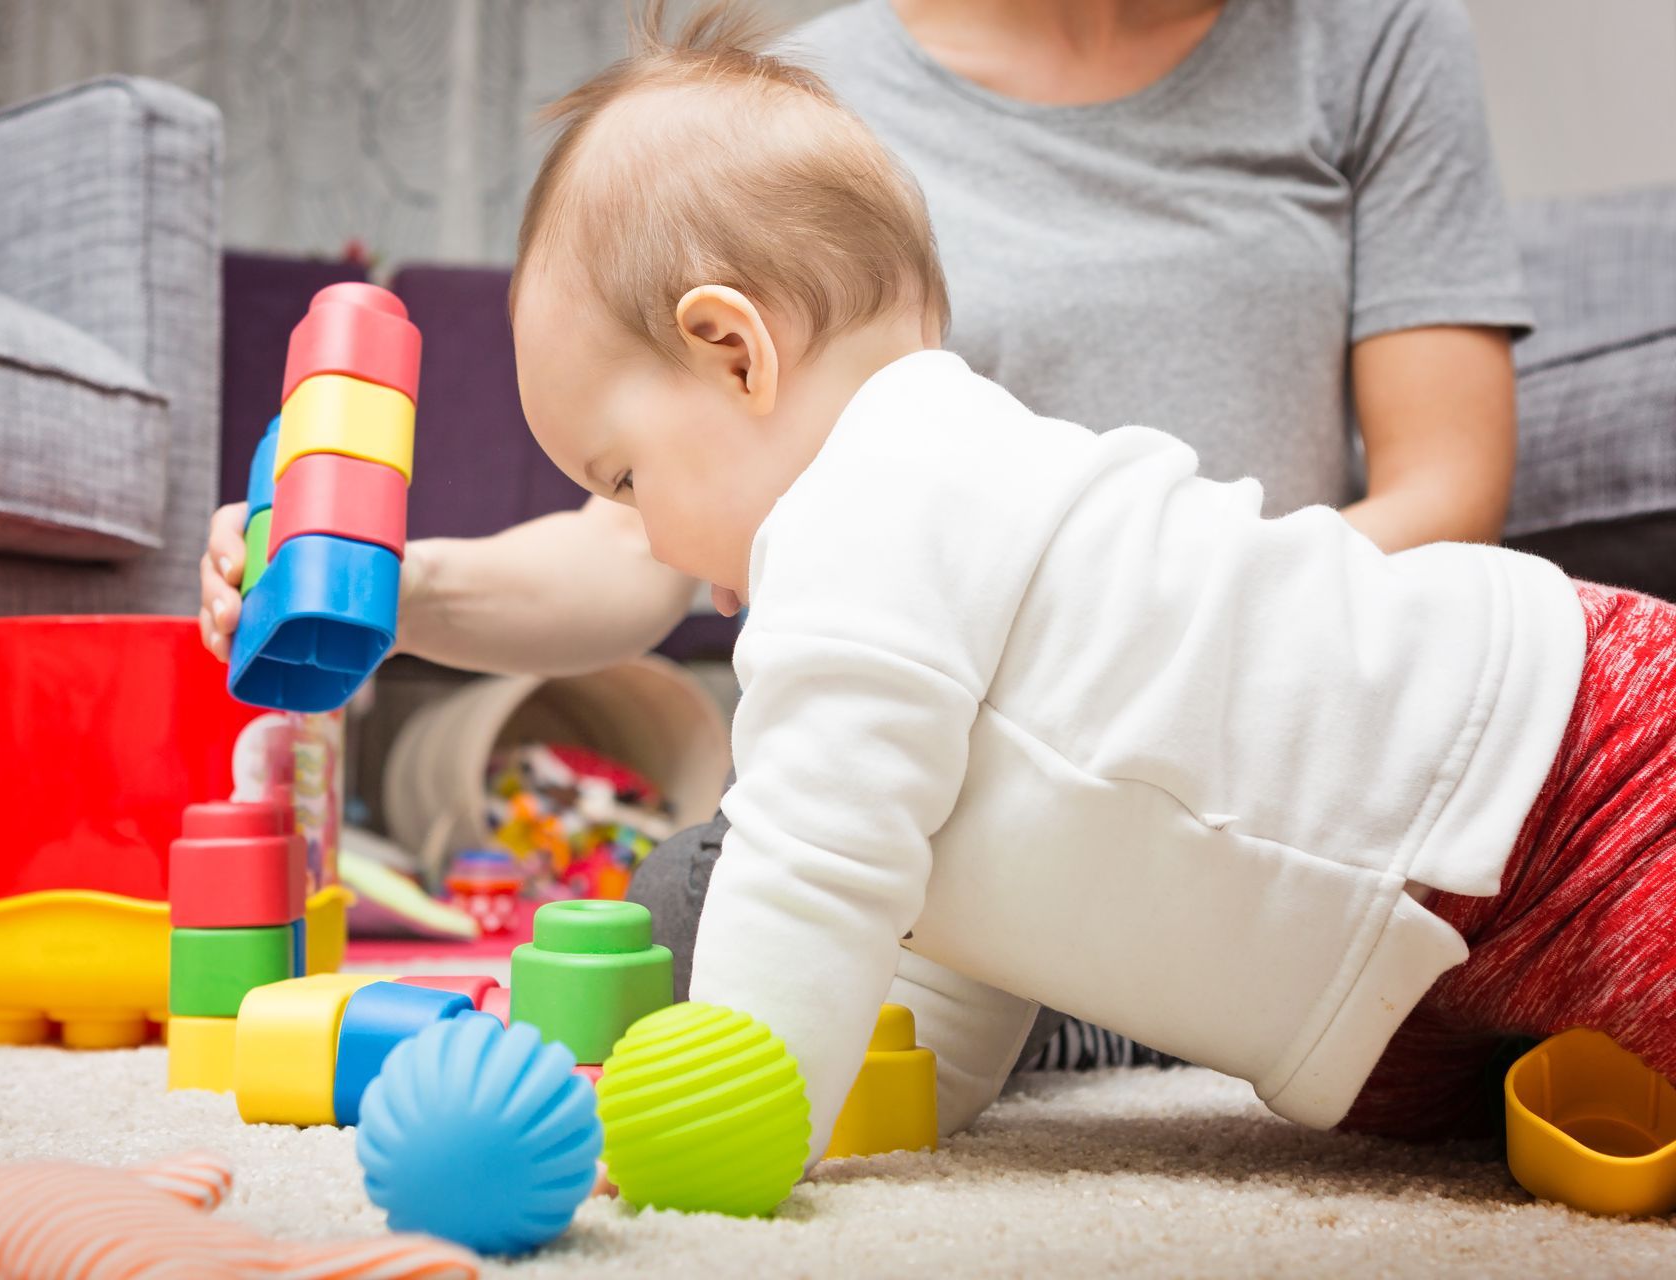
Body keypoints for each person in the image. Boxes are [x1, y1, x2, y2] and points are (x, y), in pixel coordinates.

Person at [201, 0, 1533, 1064]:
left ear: (732, 348)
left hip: (1262, 738)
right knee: (690, 906)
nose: (634, 501)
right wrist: (386, 586)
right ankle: (1104, 979)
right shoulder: (794, 101)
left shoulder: (1372, 37)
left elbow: (1445, 482)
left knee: (826, 905)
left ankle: (1152, 960)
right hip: (958, 802)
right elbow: (642, 543)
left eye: (622, 471)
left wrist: (1203, 663)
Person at [498, 6, 1676, 1161]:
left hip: (1552, 776)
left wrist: (731, 1122)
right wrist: (911, 1102)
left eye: (625, 476)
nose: (645, 534)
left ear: (734, 351)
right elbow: (961, 927)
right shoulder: (916, 538)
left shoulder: (870, 497)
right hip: (1382, 972)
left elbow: (815, 856)